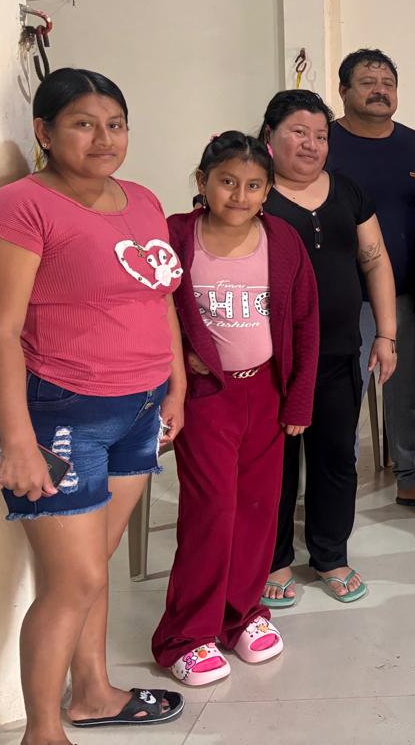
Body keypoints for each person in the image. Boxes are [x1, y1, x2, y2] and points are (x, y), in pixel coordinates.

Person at [0, 68, 185, 742]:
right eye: (83, 124)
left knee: (94, 569)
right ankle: (42, 732)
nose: (104, 139)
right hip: (60, 413)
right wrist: (16, 440)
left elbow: (158, 297)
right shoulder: (19, 207)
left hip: (139, 408)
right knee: (73, 581)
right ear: (43, 131)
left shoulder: (142, 200)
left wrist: (176, 385)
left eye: (115, 124)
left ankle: (93, 693)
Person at [151, 132, 319, 685]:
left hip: (266, 394)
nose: (239, 195)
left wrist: (298, 398)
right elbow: (151, 306)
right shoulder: (176, 235)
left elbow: (305, 320)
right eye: (227, 182)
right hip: (207, 399)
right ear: (203, 182)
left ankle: (241, 613)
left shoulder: (283, 240)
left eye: (253, 185)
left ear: (268, 191)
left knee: (257, 509)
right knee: (212, 512)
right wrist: (181, 359)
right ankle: (187, 634)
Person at [259, 90, 398, 605]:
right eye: (299, 132)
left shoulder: (347, 190)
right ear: (269, 136)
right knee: (275, 461)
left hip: (339, 350)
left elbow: (374, 259)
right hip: (271, 359)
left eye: (320, 135)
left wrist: (386, 333)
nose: (311, 144)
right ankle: (273, 559)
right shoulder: (254, 192)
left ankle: (330, 554)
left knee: (337, 456)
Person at [326, 48, 415, 512]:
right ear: (343, 91)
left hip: (408, 294)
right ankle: (334, 490)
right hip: (344, 297)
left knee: (410, 391)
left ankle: (411, 476)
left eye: (388, 83)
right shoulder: (325, 143)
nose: (380, 91)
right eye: (367, 82)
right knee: (343, 396)